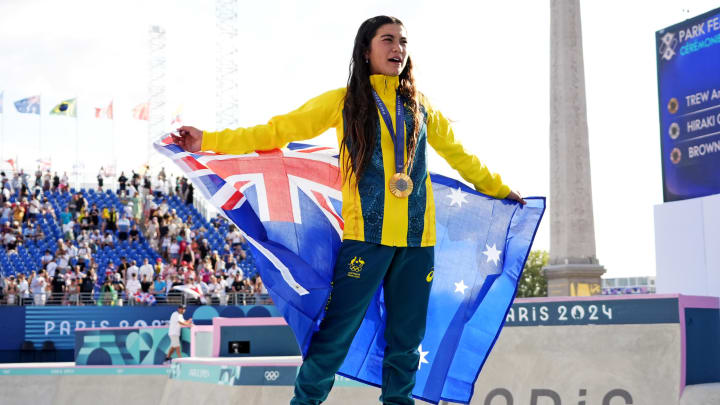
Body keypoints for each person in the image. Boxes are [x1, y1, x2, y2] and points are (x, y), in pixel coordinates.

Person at [173, 15, 525, 405]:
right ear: (366, 49)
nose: (398, 49)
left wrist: (499, 188)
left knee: (406, 341)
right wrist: (210, 139)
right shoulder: (343, 102)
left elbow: (460, 156)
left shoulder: (420, 107)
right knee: (337, 332)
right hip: (366, 239)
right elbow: (277, 130)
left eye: (403, 42)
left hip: (417, 241)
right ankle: (304, 401)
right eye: (387, 40)